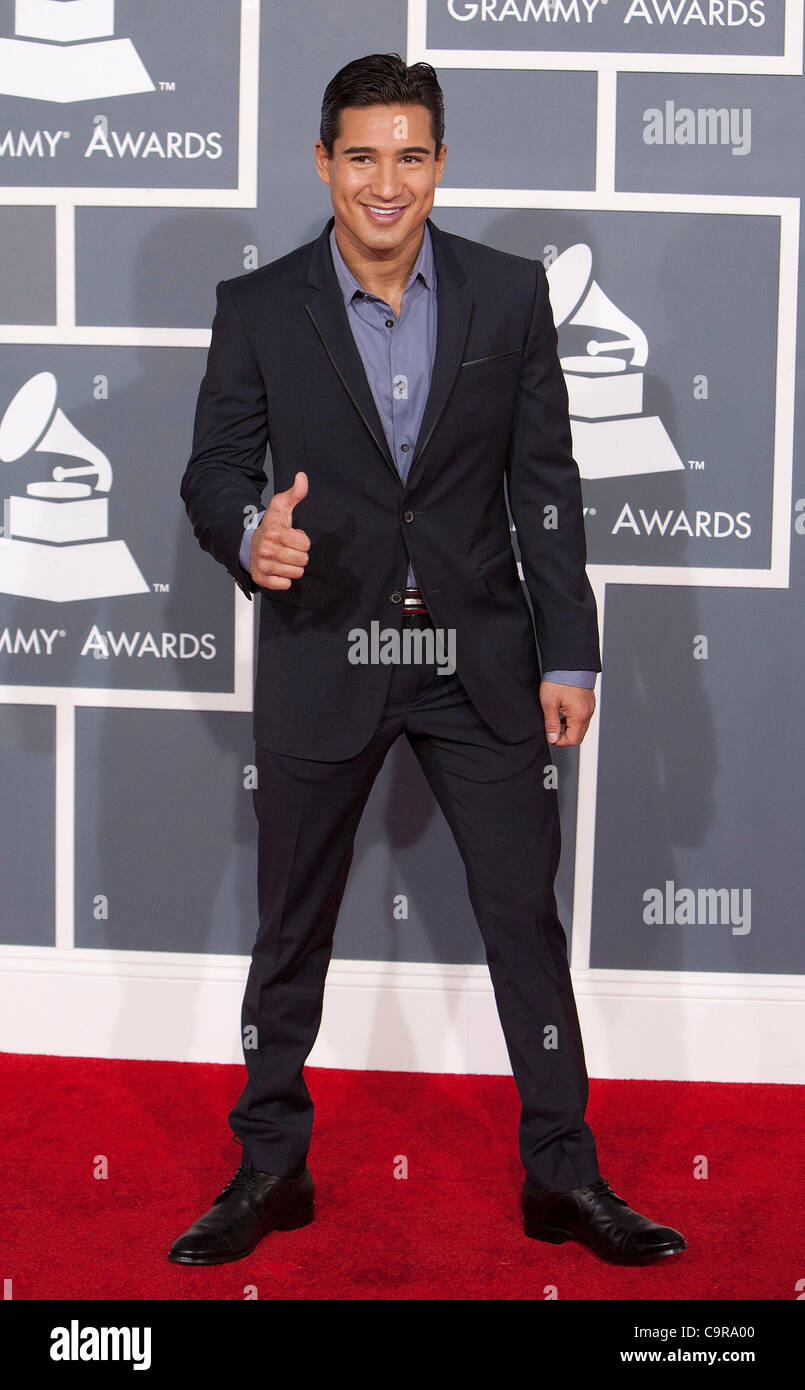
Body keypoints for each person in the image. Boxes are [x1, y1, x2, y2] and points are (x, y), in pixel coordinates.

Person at [172, 53, 686, 1269]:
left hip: (480, 657)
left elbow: (544, 490)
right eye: (361, 156)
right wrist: (256, 534)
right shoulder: (260, 309)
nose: (385, 182)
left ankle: (563, 1176)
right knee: (290, 925)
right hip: (322, 647)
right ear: (323, 164)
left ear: (440, 163)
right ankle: (270, 1166)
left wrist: (573, 652)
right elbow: (210, 473)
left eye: (410, 155)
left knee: (523, 920)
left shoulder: (510, 298)